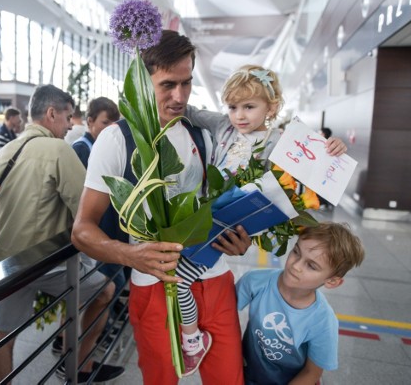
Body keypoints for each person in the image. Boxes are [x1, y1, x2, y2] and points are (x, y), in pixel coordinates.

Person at [72, 30, 253, 384]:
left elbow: (226, 202)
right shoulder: (116, 140)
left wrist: (239, 236)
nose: (179, 96)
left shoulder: (204, 133)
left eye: (186, 84)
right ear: (141, 81)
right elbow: (82, 229)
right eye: (168, 84)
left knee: (229, 378)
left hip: (214, 277)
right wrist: (129, 255)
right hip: (153, 283)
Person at [177, 65, 348, 375]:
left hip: (232, 222)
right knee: (180, 277)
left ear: (271, 107)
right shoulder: (223, 126)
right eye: (232, 106)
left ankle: (192, 339)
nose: (239, 115)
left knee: (180, 278)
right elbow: (188, 109)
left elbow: (322, 162)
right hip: (208, 216)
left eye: (249, 106)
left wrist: (334, 149)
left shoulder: (280, 141)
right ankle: (191, 335)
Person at [0, 84, 123, 384]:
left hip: (4, 263)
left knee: (4, 336)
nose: (68, 126)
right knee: (105, 291)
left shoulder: (6, 149)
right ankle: (79, 367)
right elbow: (84, 209)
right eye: (67, 118)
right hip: (43, 262)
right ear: (52, 113)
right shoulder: (58, 149)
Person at [237, 222, 365, 384]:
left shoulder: (323, 320)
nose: (295, 266)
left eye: (311, 266)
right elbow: (225, 316)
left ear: (332, 281)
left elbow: (312, 372)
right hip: (246, 375)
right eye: (296, 252)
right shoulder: (255, 281)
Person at [71, 96, 119, 168]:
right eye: (105, 122)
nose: (111, 128)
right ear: (90, 121)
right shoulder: (81, 148)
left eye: (115, 123)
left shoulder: (108, 146)